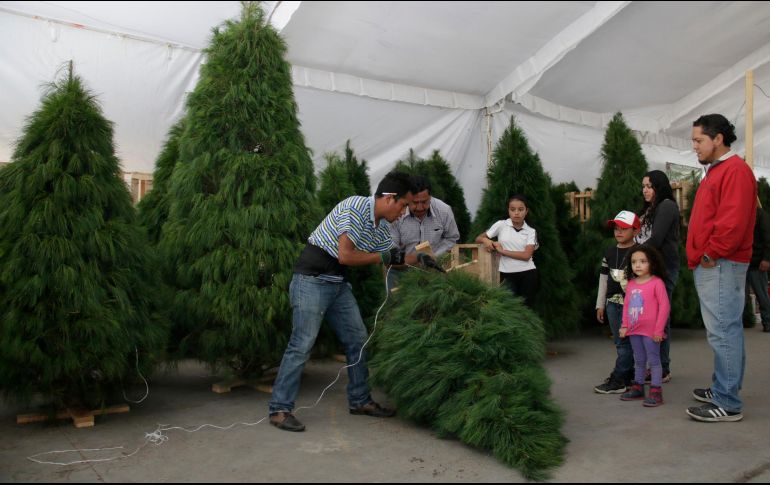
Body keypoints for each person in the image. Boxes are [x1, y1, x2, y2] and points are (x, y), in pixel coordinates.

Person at [268, 171, 420, 432]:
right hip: (311, 280)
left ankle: (360, 401)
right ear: (389, 198)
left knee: (358, 339)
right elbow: (346, 256)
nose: (404, 212)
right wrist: (385, 258)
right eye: (404, 205)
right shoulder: (355, 206)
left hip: (337, 284)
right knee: (302, 344)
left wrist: (418, 259)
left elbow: (393, 259)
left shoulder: (381, 228)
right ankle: (279, 410)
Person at [686, 114, 757, 423]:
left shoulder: (735, 171)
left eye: (699, 140)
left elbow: (732, 223)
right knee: (725, 329)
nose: (695, 146)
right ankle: (723, 388)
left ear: (718, 139)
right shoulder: (718, 170)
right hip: (717, 262)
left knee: (723, 331)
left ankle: (727, 402)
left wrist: (709, 254)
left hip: (721, 263)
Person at [635, 170, 679, 382]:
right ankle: (652, 365)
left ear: (659, 187)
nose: (645, 190)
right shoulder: (650, 208)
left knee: (660, 319)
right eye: (643, 186)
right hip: (648, 269)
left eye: (649, 186)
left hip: (663, 269)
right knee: (648, 319)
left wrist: (633, 254)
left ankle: (662, 368)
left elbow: (657, 239)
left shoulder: (667, 206)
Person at [593, 211, 640, 394]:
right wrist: (600, 304)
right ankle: (627, 376)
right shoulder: (610, 252)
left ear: (635, 231)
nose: (619, 232)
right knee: (621, 343)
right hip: (612, 303)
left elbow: (647, 280)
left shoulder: (640, 252)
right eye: (616, 228)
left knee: (627, 342)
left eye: (624, 228)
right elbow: (603, 278)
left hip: (633, 305)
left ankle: (619, 379)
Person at [618, 244, 670, 407]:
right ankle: (638, 387)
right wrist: (624, 325)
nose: (638, 265)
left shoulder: (657, 283)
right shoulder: (631, 284)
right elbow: (626, 306)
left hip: (651, 332)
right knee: (639, 360)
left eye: (643, 261)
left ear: (652, 263)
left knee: (654, 361)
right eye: (634, 262)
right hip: (634, 330)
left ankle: (656, 391)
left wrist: (659, 330)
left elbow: (664, 307)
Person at [387, 175, 460, 288]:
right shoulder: (394, 214)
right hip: (401, 272)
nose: (420, 207)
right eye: (415, 202)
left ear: (430, 197)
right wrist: (414, 259)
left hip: (434, 271)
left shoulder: (444, 211)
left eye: (424, 202)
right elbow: (390, 253)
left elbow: (452, 238)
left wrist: (434, 257)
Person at [476, 195, 538, 307]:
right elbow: (479, 238)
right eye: (512, 209)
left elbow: (526, 256)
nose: (516, 213)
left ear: (526, 211)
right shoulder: (501, 225)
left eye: (520, 209)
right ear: (508, 210)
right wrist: (487, 240)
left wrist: (502, 251)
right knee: (508, 308)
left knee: (526, 309)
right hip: (507, 274)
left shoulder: (531, 231)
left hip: (528, 274)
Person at [746, 205, 770, 333]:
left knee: (762, 295)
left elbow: (768, 239)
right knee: (740, 297)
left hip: (757, 263)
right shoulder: (739, 213)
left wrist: (766, 259)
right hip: (741, 262)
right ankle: (745, 320)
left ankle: (768, 321)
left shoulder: (760, 215)